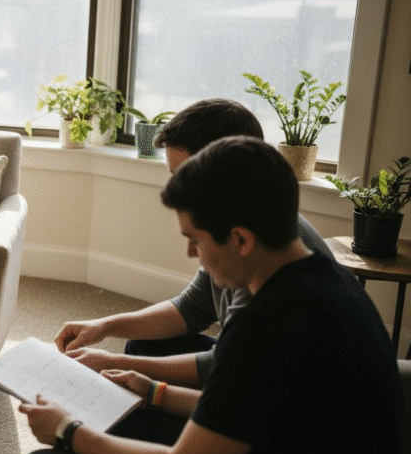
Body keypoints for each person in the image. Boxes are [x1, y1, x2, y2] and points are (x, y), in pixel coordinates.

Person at [9, 136, 403, 454]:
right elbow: (259, 409)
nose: (190, 255)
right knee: (121, 415)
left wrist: (66, 430)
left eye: (195, 240)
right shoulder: (327, 278)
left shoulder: (266, 326)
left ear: (242, 240)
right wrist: (153, 392)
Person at [57, 99, 332, 394]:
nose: (175, 189)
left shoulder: (256, 253)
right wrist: (104, 326)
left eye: (184, 175)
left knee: (129, 406)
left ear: (221, 167)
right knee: (142, 348)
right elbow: (193, 308)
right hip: (250, 369)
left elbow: (227, 367)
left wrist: (121, 366)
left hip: (276, 396)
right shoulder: (238, 222)